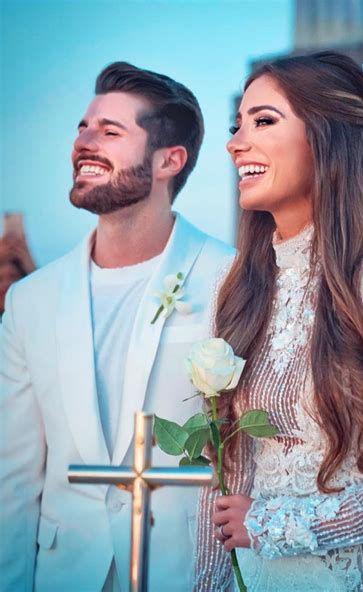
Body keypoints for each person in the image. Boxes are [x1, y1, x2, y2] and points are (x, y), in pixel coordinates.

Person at [194, 52, 363, 591]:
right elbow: (226, 482)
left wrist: (277, 525)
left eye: (264, 121)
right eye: (238, 124)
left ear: (326, 136)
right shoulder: (232, 288)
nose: (235, 143)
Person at [0, 62, 234, 592]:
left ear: (169, 160)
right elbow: (11, 483)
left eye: (110, 131)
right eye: (83, 128)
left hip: (188, 574)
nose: (84, 142)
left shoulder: (232, 280)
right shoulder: (29, 301)